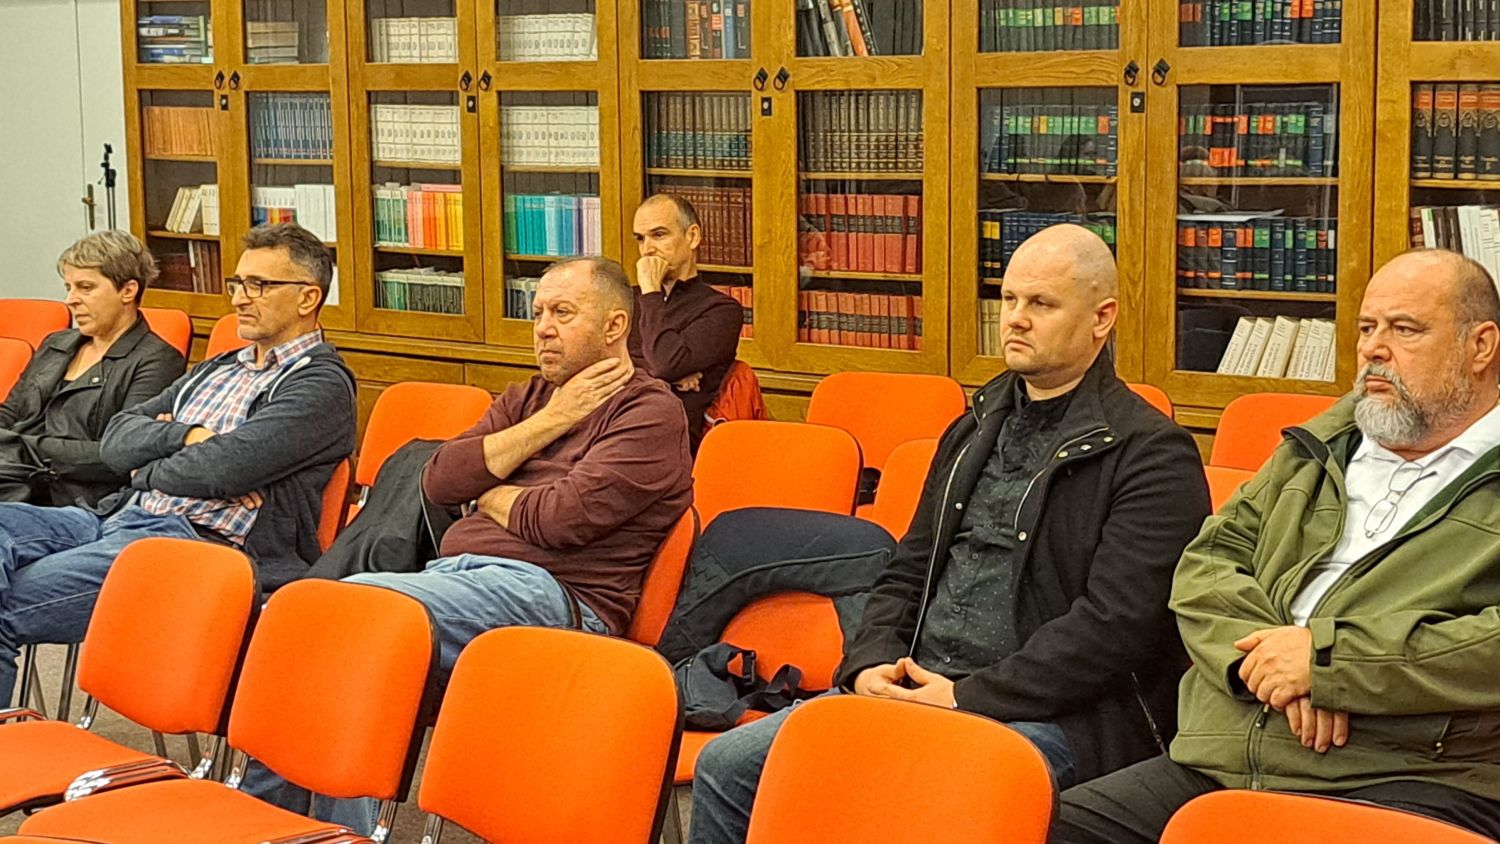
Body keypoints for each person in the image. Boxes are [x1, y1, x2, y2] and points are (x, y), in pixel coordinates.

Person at [687, 224, 1212, 844]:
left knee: (935, 793)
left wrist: (967, 696)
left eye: (1041, 304)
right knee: (728, 766)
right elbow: (907, 568)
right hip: (915, 683)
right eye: (1009, 299)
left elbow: (1115, 628)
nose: (1015, 318)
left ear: (1102, 318)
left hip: (1052, 713)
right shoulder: (973, 427)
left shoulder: (1151, 454)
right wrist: (868, 665)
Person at [1051, 249, 1500, 843]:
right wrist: (1264, 666)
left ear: (1480, 346)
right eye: (1367, 328)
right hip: (1225, 756)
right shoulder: (1318, 446)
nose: (1373, 348)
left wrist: (1328, 664)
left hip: (1407, 773)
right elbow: (1206, 564)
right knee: (1046, 828)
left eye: (1405, 329)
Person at [245, 256, 694, 833]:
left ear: (614, 326)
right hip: (457, 576)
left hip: (557, 598)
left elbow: (557, 519)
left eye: (562, 313)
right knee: (309, 620)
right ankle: (270, 823)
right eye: (537, 313)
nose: (543, 328)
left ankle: (339, 834)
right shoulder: (531, 398)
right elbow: (439, 479)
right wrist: (551, 421)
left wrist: (487, 491)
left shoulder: (650, 413)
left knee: (351, 613)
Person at [0, 222, 355, 704]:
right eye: (237, 283)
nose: (239, 299)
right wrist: (184, 436)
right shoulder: (219, 366)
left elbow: (222, 468)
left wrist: (146, 470)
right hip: (114, 516)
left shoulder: (320, 385)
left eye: (259, 285)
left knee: (5, 609)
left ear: (308, 298)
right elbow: (117, 439)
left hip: (192, 544)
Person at [0, 231, 184, 507]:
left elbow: (122, 452)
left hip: (70, 497)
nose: (71, 299)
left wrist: (21, 447)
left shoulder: (157, 360)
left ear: (128, 291)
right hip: (12, 475)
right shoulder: (55, 343)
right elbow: (10, 413)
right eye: (69, 287)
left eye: (85, 288)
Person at [630, 193, 744, 451]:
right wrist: (665, 381)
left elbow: (664, 363)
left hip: (667, 444)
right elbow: (592, 366)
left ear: (692, 236)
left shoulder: (721, 310)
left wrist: (650, 292)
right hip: (607, 425)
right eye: (641, 239)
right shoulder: (625, 299)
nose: (647, 250)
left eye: (659, 235)